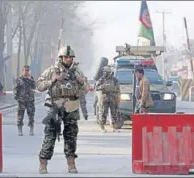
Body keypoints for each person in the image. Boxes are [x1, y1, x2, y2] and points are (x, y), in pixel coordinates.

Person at [36, 45, 87, 174]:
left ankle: (71, 163)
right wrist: (52, 80)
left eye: (70, 57)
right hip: (55, 106)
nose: (68, 59)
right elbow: (39, 86)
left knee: (71, 135)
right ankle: (43, 164)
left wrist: (82, 82)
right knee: (50, 134)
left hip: (72, 106)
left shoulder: (77, 72)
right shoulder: (52, 71)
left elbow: (86, 89)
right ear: (61, 57)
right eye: (66, 57)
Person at [95, 66, 120, 132]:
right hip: (104, 98)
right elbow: (96, 87)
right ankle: (102, 127)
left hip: (112, 98)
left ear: (108, 72)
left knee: (114, 113)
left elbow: (118, 89)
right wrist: (102, 87)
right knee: (103, 113)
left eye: (105, 72)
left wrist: (118, 96)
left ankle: (115, 128)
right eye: (103, 72)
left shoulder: (114, 80)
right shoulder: (101, 79)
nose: (104, 73)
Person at [13, 65, 36, 136]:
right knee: (20, 116)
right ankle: (20, 130)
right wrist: (17, 98)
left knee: (31, 116)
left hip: (30, 101)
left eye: (28, 70)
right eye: (25, 70)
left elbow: (34, 87)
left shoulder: (31, 79)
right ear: (22, 71)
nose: (26, 72)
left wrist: (30, 79)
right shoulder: (19, 80)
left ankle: (31, 129)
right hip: (21, 101)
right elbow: (15, 89)